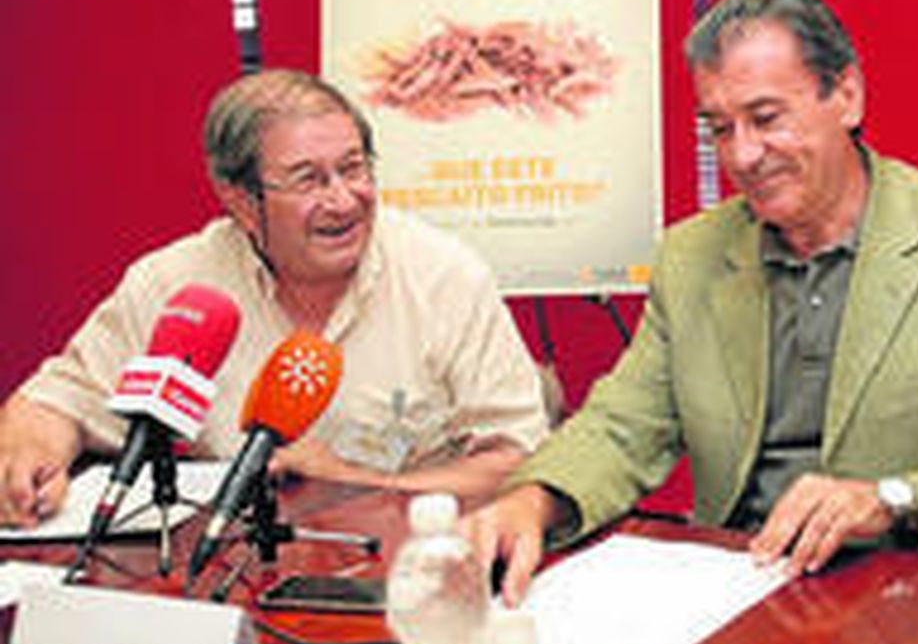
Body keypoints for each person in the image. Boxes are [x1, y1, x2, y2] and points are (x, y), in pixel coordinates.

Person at [471, 0, 918, 603]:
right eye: (720, 128)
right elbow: (621, 427)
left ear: (847, 94)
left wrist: (892, 500)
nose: (744, 155)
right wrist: (532, 498)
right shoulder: (692, 256)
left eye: (765, 118)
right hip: (738, 600)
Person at [0, 69, 550, 526]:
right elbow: (56, 401)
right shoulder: (176, 288)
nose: (344, 199)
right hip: (232, 573)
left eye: (354, 168)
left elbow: (519, 461)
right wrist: (27, 453)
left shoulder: (444, 277)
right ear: (240, 201)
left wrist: (361, 484)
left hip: (406, 570)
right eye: (309, 179)